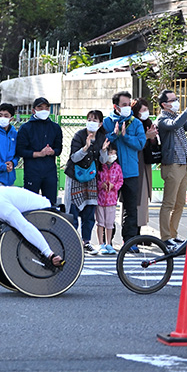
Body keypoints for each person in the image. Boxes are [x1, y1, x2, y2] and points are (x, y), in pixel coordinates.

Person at [156, 91, 187, 246]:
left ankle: (173, 234)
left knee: (180, 203)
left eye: (177, 99)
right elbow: (174, 125)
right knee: (169, 203)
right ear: (164, 104)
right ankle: (165, 237)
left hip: (184, 164)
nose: (176, 102)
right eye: (173, 100)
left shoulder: (177, 117)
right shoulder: (163, 119)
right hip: (172, 165)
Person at [102, 91, 146, 245]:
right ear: (116, 107)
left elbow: (141, 144)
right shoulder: (107, 121)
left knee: (130, 208)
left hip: (130, 172)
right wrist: (114, 135)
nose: (128, 107)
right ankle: (108, 241)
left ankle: (130, 241)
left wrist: (125, 136)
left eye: (129, 104)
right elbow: (102, 142)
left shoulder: (136, 123)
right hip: (110, 174)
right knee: (108, 206)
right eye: (124, 105)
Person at [63, 110, 109, 255]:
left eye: (95, 120)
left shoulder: (102, 137)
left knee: (89, 212)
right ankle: (71, 242)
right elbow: (74, 158)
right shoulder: (79, 135)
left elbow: (103, 161)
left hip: (91, 179)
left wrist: (103, 151)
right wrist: (85, 147)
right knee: (73, 211)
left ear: (100, 123)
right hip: (75, 178)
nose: (91, 122)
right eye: (89, 119)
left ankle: (86, 242)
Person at [16, 97, 62, 205]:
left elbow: (59, 149)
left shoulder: (55, 128)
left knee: (50, 204)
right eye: (40, 107)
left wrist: (52, 152)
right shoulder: (26, 128)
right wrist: (38, 154)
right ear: (33, 110)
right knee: (31, 204)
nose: (43, 110)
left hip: (50, 171)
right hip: (32, 171)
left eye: (46, 108)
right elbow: (20, 150)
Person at [132, 98, 158, 235]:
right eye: (142, 110)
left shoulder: (148, 123)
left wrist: (153, 137)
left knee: (144, 200)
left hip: (145, 165)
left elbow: (152, 145)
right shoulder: (132, 124)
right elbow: (134, 145)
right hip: (136, 165)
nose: (146, 112)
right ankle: (133, 233)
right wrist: (146, 137)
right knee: (137, 200)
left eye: (147, 109)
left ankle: (139, 231)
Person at [96, 143, 123, 255]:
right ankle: (100, 243)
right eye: (110, 153)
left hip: (112, 200)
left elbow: (120, 181)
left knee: (109, 223)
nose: (112, 155)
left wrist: (114, 186)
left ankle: (108, 243)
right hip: (100, 200)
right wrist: (101, 185)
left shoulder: (117, 167)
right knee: (100, 222)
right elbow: (96, 180)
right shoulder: (100, 167)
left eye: (114, 153)